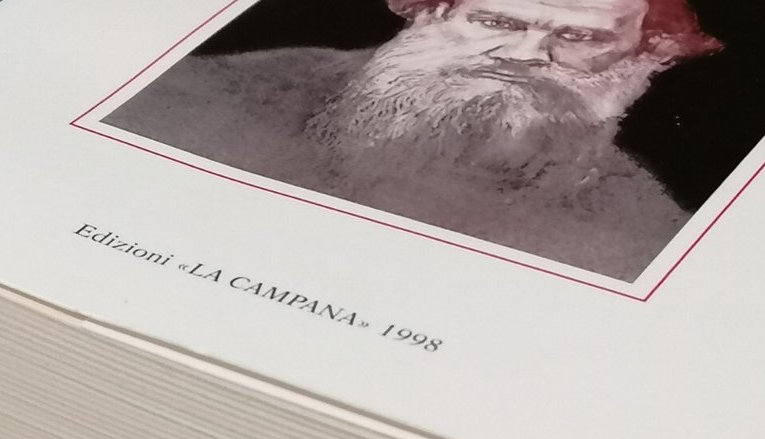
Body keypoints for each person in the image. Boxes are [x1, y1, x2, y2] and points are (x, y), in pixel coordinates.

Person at [104, 0, 722, 281]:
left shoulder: (640, 231)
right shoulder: (205, 95)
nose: (526, 54)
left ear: (650, 54)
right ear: (429, 13)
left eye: (579, 37)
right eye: (496, 22)